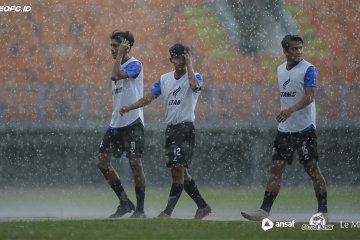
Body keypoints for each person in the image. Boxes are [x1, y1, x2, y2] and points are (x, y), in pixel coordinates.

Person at [241, 35, 328, 222]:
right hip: (285, 129)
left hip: (305, 129)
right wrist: (282, 111)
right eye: (294, 49)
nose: (298, 52)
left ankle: (323, 212)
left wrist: (290, 110)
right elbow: (287, 95)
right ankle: (264, 211)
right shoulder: (280, 69)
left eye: (300, 48)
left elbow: (310, 97)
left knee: (312, 168)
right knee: (276, 168)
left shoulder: (309, 69)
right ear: (285, 51)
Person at [121, 43, 211, 219]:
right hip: (170, 130)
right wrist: (130, 107)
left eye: (184, 58)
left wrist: (190, 65)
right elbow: (149, 97)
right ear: (171, 59)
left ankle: (167, 213)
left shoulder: (196, 76)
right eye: (177, 58)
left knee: (178, 171)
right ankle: (202, 206)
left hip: (185, 129)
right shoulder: (165, 79)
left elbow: (194, 87)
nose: (181, 62)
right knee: (181, 173)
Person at [97, 30, 146, 219]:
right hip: (116, 124)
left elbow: (115, 76)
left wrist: (118, 56)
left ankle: (140, 210)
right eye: (111, 46)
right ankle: (125, 202)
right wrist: (118, 56)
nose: (112, 50)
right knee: (102, 163)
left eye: (116, 46)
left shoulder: (135, 64)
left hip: (133, 123)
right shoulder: (117, 65)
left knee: (135, 164)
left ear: (127, 47)